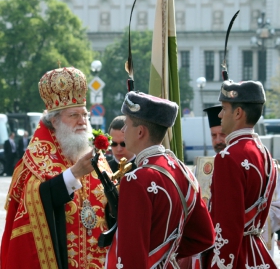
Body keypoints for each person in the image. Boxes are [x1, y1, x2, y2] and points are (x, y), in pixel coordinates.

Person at [1, 67, 110, 269]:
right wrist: (74, 174)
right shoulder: (35, 160)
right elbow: (32, 204)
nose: (82, 122)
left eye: (84, 114)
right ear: (55, 120)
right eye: (74, 115)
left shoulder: (95, 154)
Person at [106, 91, 215, 268]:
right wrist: (166, 254)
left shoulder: (136, 179)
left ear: (140, 131)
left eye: (126, 124)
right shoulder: (183, 171)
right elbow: (204, 237)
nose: (124, 131)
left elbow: (130, 257)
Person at [205, 80, 278, 268]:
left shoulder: (227, 157)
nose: (220, 115)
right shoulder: (266, 154)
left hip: (237, 258)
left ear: (238, 113)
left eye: (224, 108)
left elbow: (227, 227)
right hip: (258, 254)